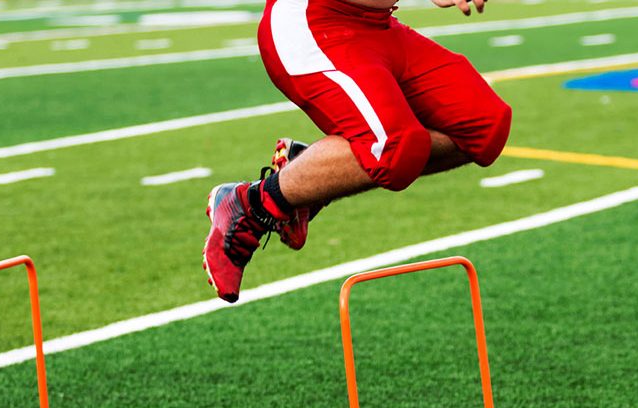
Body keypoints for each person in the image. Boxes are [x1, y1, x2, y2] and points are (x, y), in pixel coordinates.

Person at [203, 0, 512, 303]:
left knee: (485, 125)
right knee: (396, 148)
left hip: (377, 25)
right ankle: (251, 204)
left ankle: (305, 178)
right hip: (315, 23)